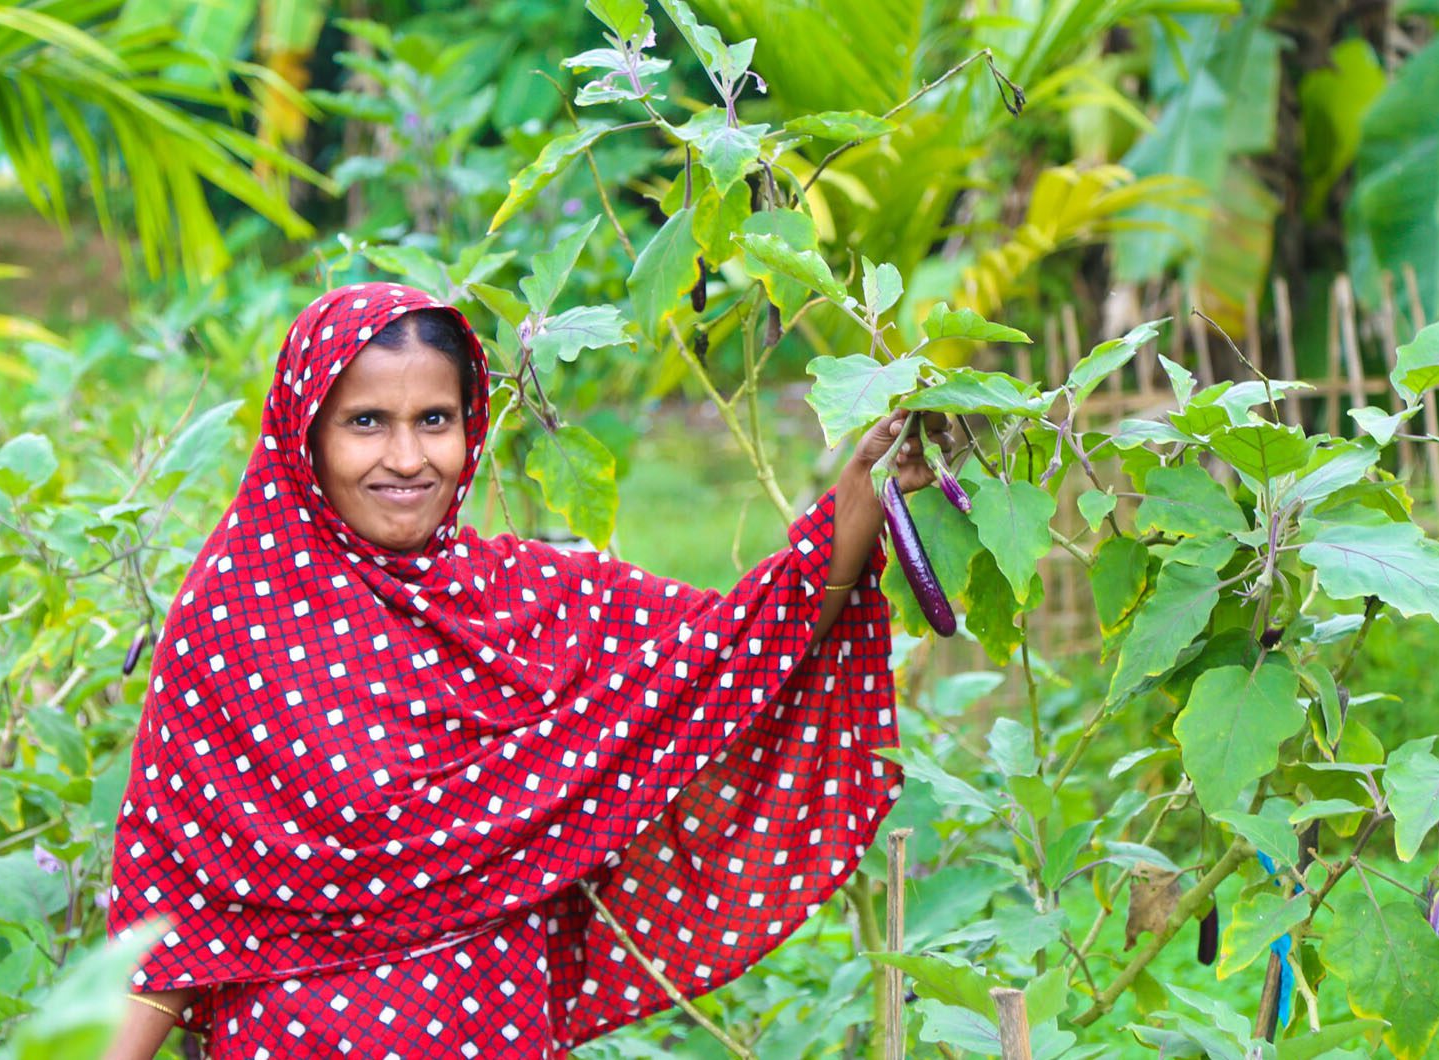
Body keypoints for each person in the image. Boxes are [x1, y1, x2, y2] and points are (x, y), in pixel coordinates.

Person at [105, 282, 954, 1059]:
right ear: (306, 434)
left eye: (434, 419)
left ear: (469, 427)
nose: (407, 458)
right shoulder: (233, 620)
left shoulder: (529, 601)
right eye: (367, 422)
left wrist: (864, 481)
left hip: (497, 1031)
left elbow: (735, 642)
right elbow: (174, 905)